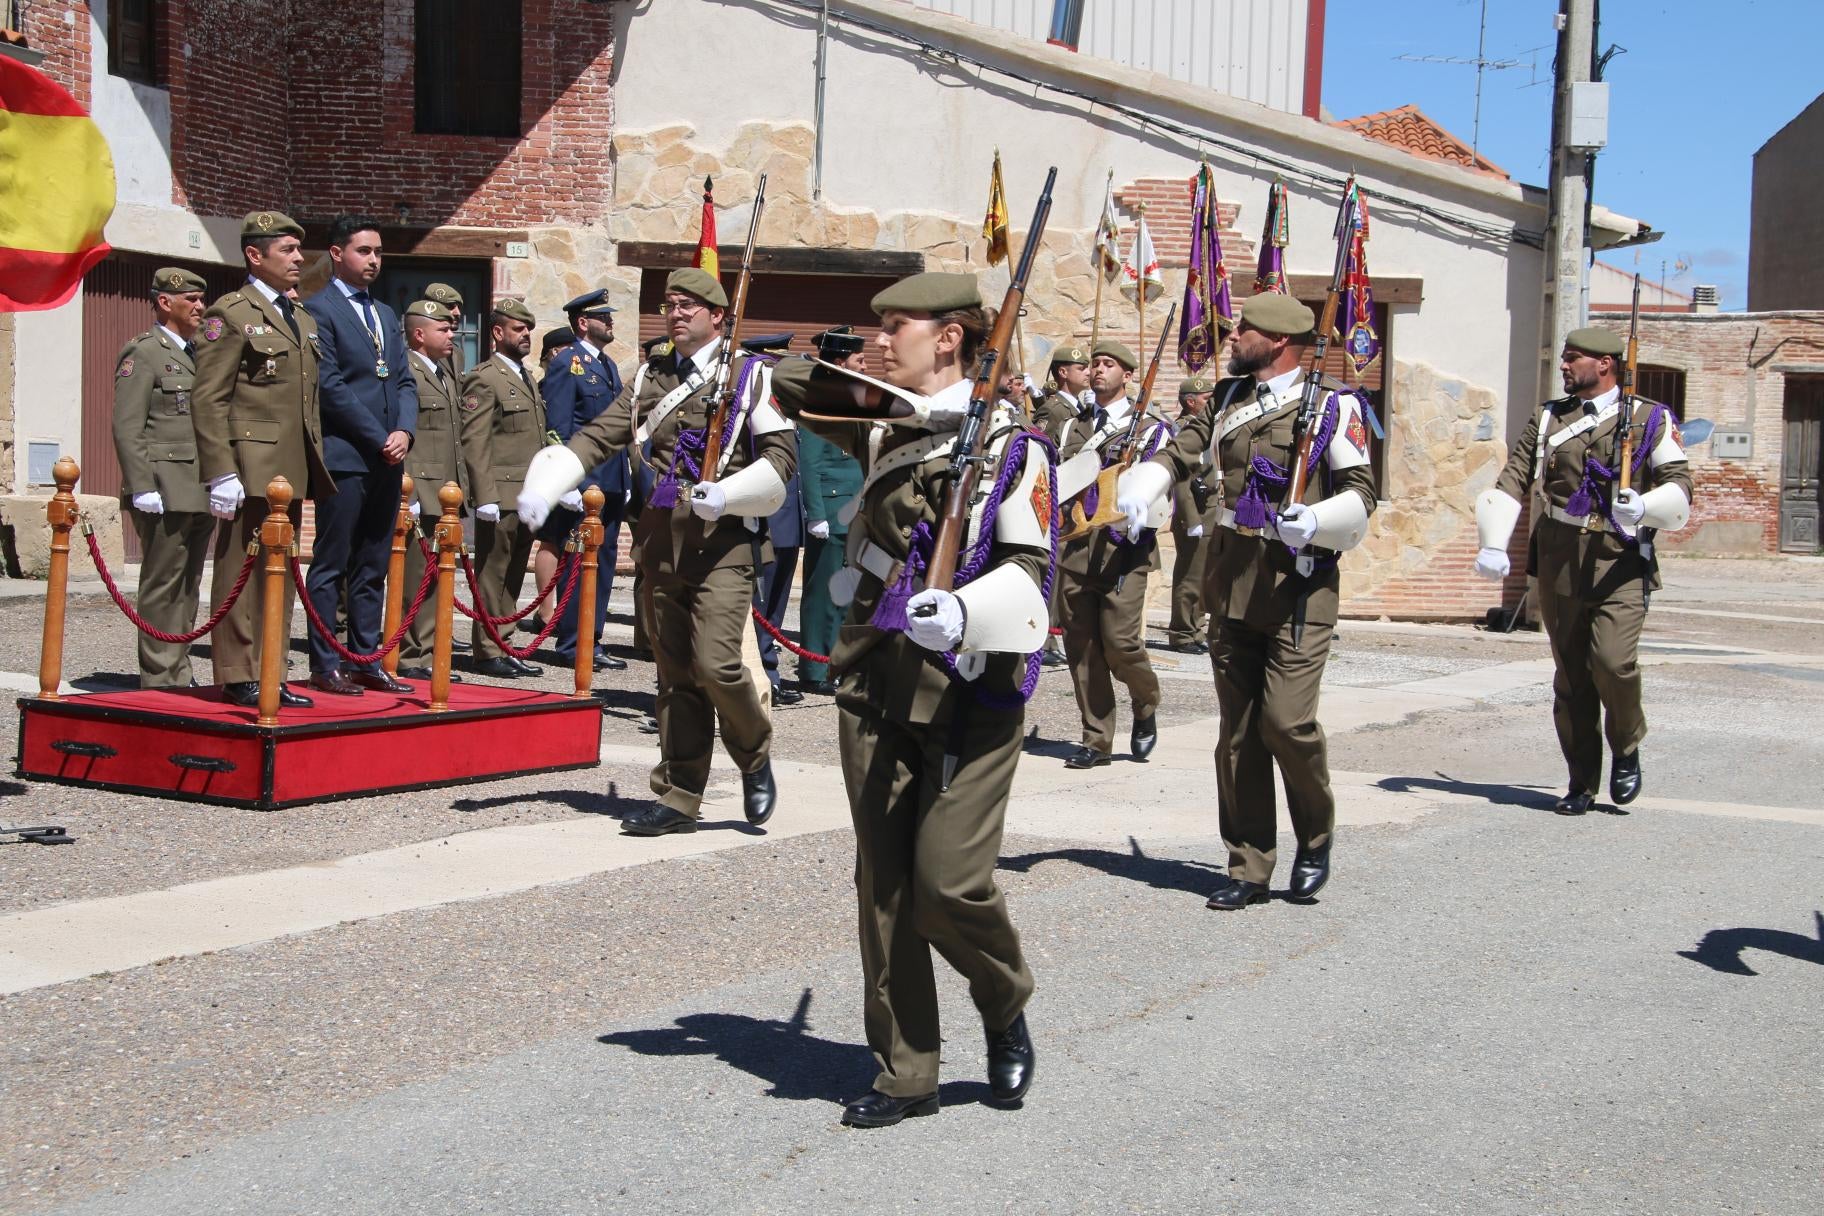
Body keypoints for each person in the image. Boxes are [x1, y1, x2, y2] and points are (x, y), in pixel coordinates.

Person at [762, 271, 1051, 1127]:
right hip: (875, 683)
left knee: (948, 884)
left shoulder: (1011, 445)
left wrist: (965, 610)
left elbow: (1033, 570)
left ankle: (1003, 1001)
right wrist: (874, 388)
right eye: (877, 325)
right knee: (883, 885)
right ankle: (906, 1072)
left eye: (898, 325)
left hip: (970, 690)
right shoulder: (889, 425)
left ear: (954, 336)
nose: (878, 339)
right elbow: (784, 381)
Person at [1116, 294, 1376, 910]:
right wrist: (1147, 481)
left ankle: (1314, 834)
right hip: (1231, 582)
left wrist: (1313, 518)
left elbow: (1363, 493)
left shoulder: (1334, 406)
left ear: (1280, 340)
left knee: (1286, 722)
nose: (1232, 335)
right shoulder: (1228, 400)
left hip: (1297, 586)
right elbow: (1181, 449)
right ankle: (1249, 866)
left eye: (1245, 329)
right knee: (1237, 735)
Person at [516, 268, 795, 834]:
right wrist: (549, 480)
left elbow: (780, 459)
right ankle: (680, 798)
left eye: (690, 304)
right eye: (670, 303)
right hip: (660, 544)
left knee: (717, 665)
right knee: (674, 677)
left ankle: (754, 752)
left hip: (725, 546)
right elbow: (602, 434)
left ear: (719, 316)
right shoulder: (651, 375)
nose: (676, 312)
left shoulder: (752, 377)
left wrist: (731, 491)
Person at [1473, 326, 1693, 815]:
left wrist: (1647, 506)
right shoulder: (1550, 418)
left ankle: (1627, 744)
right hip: (1559, 559)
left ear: (1606, 364)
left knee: (1613, 664)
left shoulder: (1648, 418)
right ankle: (1581, 782)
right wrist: (1493, 541)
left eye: (1573, 359)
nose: (1565, 367)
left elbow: (1680, 485)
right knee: (1571, 678)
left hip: (1620, 561)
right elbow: (1512, 479)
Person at [190, 210, 332, 708]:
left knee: (280, 568)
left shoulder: (300, 317)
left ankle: (270, 667)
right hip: (248, 466)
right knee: (240, 571)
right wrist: (220, 471)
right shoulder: (230, 313)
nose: (298, 258)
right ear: (256, 255)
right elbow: (208, 398)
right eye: (287, 250)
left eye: (299, 249)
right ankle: (237, 671)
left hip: (288, 467)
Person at [301, 216, 418, 696]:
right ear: (336, 253)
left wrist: (404, 432)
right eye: (363, 251)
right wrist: (377, 436)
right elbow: (329, 386)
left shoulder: (387, 315)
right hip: (347, 454)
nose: (373, 260)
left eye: (377, 252)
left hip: (389, 457)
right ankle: (325, 662)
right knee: (333, 561)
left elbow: (405, 380)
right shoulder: (319, 309)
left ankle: (366, 658)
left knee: (372, 562)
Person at [1055, 339, 1171, 769]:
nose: (1098, 370)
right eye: (1095, 364)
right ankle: (1096, 739)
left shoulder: (1152, 428)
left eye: (1108, 365)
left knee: (1121, 644)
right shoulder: (1072, 427)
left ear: (1128, 375)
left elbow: (1165, 485)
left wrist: (1144, 515)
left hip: (1125, 549)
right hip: (1076, 546)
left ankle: (1145, 700)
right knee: (1081, 645)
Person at [111, 266, 213, 689]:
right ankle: (157, 675)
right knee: (161, 583)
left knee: (188, 584)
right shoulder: (145, 352)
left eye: (201, 299)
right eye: (191, 299)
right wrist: (141, 485)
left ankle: (178, 668)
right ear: (165, 302)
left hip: (198, 487)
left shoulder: (198, 354)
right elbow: (127, 426)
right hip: (163, 487)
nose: (200, 307)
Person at [458, 298, 548, 679]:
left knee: (513, 574)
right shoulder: (486, 376)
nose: (526, 334)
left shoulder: (525, 377)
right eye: (518, 328)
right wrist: (485, 495)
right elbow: (474, 440)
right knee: (492, 574)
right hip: (500, 493)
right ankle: (487, 648)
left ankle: (505, 641)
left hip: (525, 494)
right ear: (498, 333)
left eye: (528, 328)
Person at [541, 291, 631, 672]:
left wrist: (624, 476)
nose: (610, 322)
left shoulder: (607, 365)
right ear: (583, 323)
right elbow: (558, 428)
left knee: (605, 564)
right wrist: (566, 483)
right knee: (578, 563)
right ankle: (571, 642)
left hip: (608, 483)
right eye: (603, 317)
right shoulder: (567, 363)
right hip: (583, 484)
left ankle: (591, 639)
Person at [396, 299, 467, 681]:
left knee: (437, 577)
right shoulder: (407, 370)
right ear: (420, 334)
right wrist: (409, 494)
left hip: (444, 490)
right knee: (415, 579)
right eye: (444, 329)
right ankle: (411, 655)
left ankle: (428, 650)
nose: (452, 334)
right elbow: (408, 433)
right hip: (420, 490)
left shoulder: (443, 372)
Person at [796, 326, 867, 696]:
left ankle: (834, 662)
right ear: (840, 362)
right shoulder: (820, 400)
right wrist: (816, 513)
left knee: (844, 593)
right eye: (859, 359)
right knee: (823, 593)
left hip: (852, 508)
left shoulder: (849, 397)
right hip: (831, 507)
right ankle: (813, 667)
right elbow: (809, 461)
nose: (865, 364)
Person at [743, 332, 806, 705]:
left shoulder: (787, 403)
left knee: (776, 603)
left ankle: (769, 670)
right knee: (757, 603)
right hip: (763, 518)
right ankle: (756, 673)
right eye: (774, 363)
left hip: (788, 517)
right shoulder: (748, 405)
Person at [1165, 373, 1220, 654]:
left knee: (1205, 575)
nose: (1212, 403)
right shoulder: (1184, 430)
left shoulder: (1210, 427)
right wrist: (1190, 517)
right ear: (1190, 402)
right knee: (1190, 576)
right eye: (1207, 399)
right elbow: (1181, 478)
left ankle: (1196, 628)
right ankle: (1183, 633)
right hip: (1195, 511)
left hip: (1211, 508)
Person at [422, 282, 468, 377]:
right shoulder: (419, 350)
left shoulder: (457, 353)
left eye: (459, 307)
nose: (458, 313)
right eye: (450, 307)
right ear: (431, 309)